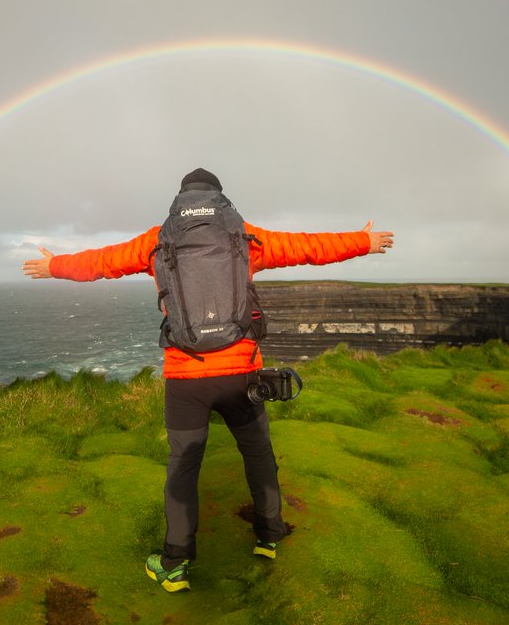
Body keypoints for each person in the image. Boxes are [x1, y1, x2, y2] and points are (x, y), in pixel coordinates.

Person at [22, 168, 393, 592]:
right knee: (257, 453)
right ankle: (270, 535)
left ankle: (175, 563)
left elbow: (103, 261)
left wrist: (54, 265)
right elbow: (306, 247)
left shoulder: (156, 241)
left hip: (186, 376)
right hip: (241, 373)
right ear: (219, 195)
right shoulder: (243, 236)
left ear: (180, 198)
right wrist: (364, 242)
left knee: (183, 466)